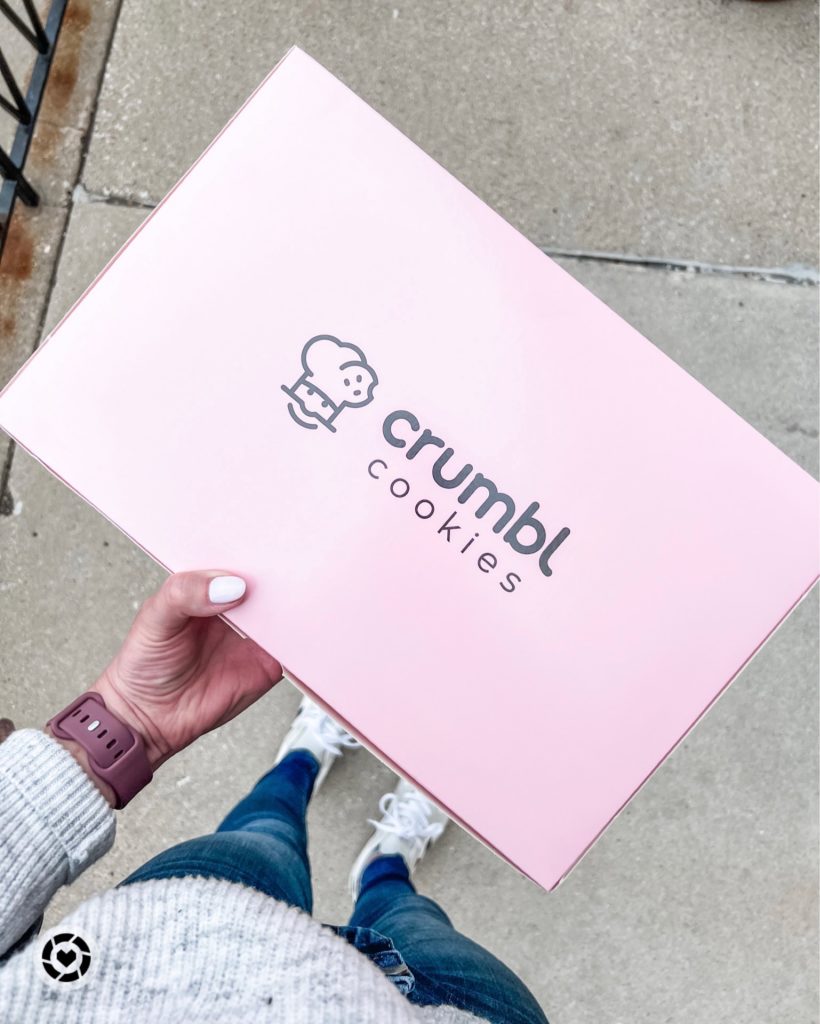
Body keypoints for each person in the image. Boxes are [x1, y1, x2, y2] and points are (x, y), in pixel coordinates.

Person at [0, 569, 547, 1023]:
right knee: (407, 911)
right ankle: (387, 863)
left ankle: (301, 758)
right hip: (451, 1009)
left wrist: (123, 726)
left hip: (173, 941)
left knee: (267, 830)